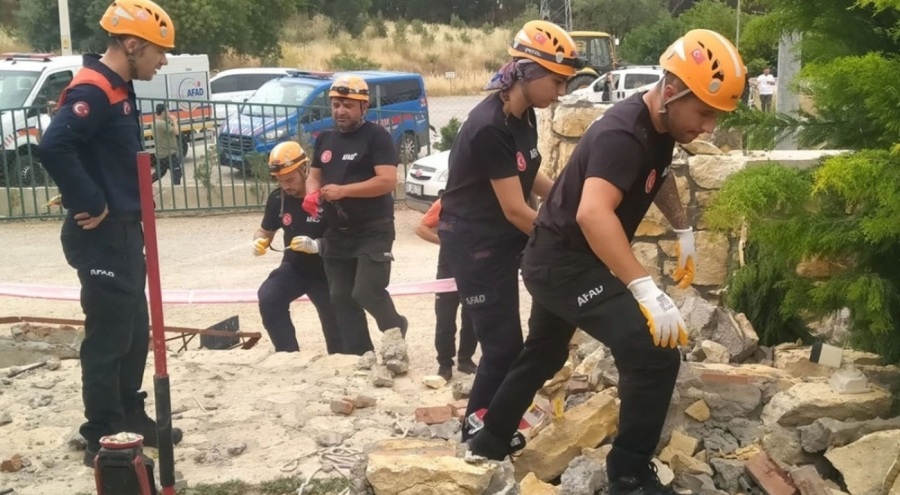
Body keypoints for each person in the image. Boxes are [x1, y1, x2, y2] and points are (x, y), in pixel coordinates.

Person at [466, 29, 745, 495]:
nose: (709, 126)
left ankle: (489, 441)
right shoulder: (623, 132)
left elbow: (658, 175)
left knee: (545, 353)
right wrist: (644, 288)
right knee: (654, 354)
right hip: (564, 263)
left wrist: (682, 230)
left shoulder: (658, 123)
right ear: (672, 92)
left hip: (557, 257)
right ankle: (629, 476)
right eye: (704, 112)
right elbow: (593, 213)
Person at [36, 0, 183, 467]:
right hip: (99, 235)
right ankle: (101, 432)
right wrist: (91, 201)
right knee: (108, 336)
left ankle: (129, 415)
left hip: (123, 233)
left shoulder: (120, 88)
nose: (163, 62)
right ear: (132, 43)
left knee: (134, 330)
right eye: (160, 51)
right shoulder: (95, 89)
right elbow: (55, 145)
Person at [437, 20, 583, 439]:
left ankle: (499, 412)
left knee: (517, 343)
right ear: (529, 72)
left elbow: (530, 175)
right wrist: (569, 233)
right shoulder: (489, 127)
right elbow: (518, 210)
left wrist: (568, 203)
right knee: (502, 347)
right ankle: (476, 429)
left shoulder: (523, 117)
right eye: (558, 83)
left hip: (501, 235)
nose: (561, 94)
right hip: (475, 243)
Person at [303, 75, 408, 356]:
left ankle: (396, 332)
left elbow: (387, 181)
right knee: (340, 295)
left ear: (364, 107)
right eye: (336, 104)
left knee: (366, 291)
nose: (340, 111)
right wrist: (311, 194)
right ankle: (360, 354)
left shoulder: (377, 137)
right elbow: (314, 178)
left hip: (373, 229)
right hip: (336, 231)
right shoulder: (324, 139)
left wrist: (344, 191)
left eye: (348, 105)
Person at [252, 141, 343, 354]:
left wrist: (317, 245)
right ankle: (288, 355)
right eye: (280, 181)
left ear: (305, 169)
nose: (286, 186)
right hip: (295, 267)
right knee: (269, 297)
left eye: (290, 180)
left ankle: (339, 359)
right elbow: (265, 230)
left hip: (329, 271)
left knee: (336, 325)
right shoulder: (279, 199)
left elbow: (344, 239)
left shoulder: (326, 196)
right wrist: (259, 241)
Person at [415, 198, 478, 381]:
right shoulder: (445, 202)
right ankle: (444, 364)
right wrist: (442, 242)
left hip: (476, 267)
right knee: (445, 319)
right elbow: (421, 228)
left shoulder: (486, 199)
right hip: (448, 268)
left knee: (472, 317)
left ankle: (466, 360)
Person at [151, 103, 182, 185]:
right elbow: (176, 132)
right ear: (163, 112)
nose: (169, 113)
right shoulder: (161, 123)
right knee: (177, 173)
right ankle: (176, 190)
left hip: (161, 154)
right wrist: (174, 121)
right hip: (169, 154)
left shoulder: (154, 123)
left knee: (159, 173)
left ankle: (145, 185)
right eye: (168, 111)